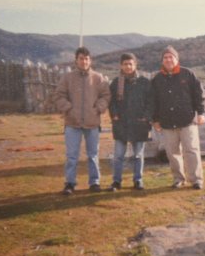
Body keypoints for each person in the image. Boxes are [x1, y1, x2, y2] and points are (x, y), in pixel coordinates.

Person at [53, 47, 111, 195]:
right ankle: (70, 183)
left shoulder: (98, 78)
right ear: (76, 60)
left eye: (86, 59)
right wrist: (68, 108)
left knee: (93, 155)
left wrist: (98, 108)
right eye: (81, 58)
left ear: (90, 60)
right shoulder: (68, 78)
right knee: (72, 156)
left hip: (92, 123)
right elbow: (59, 95)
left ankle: (94, 182)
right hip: (72, 123)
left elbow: (106, 96)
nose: (84, 61)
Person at [151, 45, 205, 190]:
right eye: (165, 57)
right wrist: (155, 120)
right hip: (167, 123)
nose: (168, 59)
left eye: (171, 57)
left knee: (192, 150)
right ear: (162, 60)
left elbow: (199, 95)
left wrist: (201, 113)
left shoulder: (188, 74)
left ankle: (196, 180)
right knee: (172, 152)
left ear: (177, 59)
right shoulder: (157, 79)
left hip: (188, 121)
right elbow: (153, 101)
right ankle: (178, 179)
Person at [108, 53, 152, 191]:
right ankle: (116, 181)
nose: (128, 66)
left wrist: (146, 117)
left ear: (135, 65)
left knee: (138, 155)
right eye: (125, 64)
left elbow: (150, 103)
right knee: (118, 155)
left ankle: (138, 180)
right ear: (121, 65)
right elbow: (111, 102)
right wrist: (114, 115)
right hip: (121, 123)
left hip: (139, 123)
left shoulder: (144, 82)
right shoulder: (116, 83)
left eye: (130, 64)